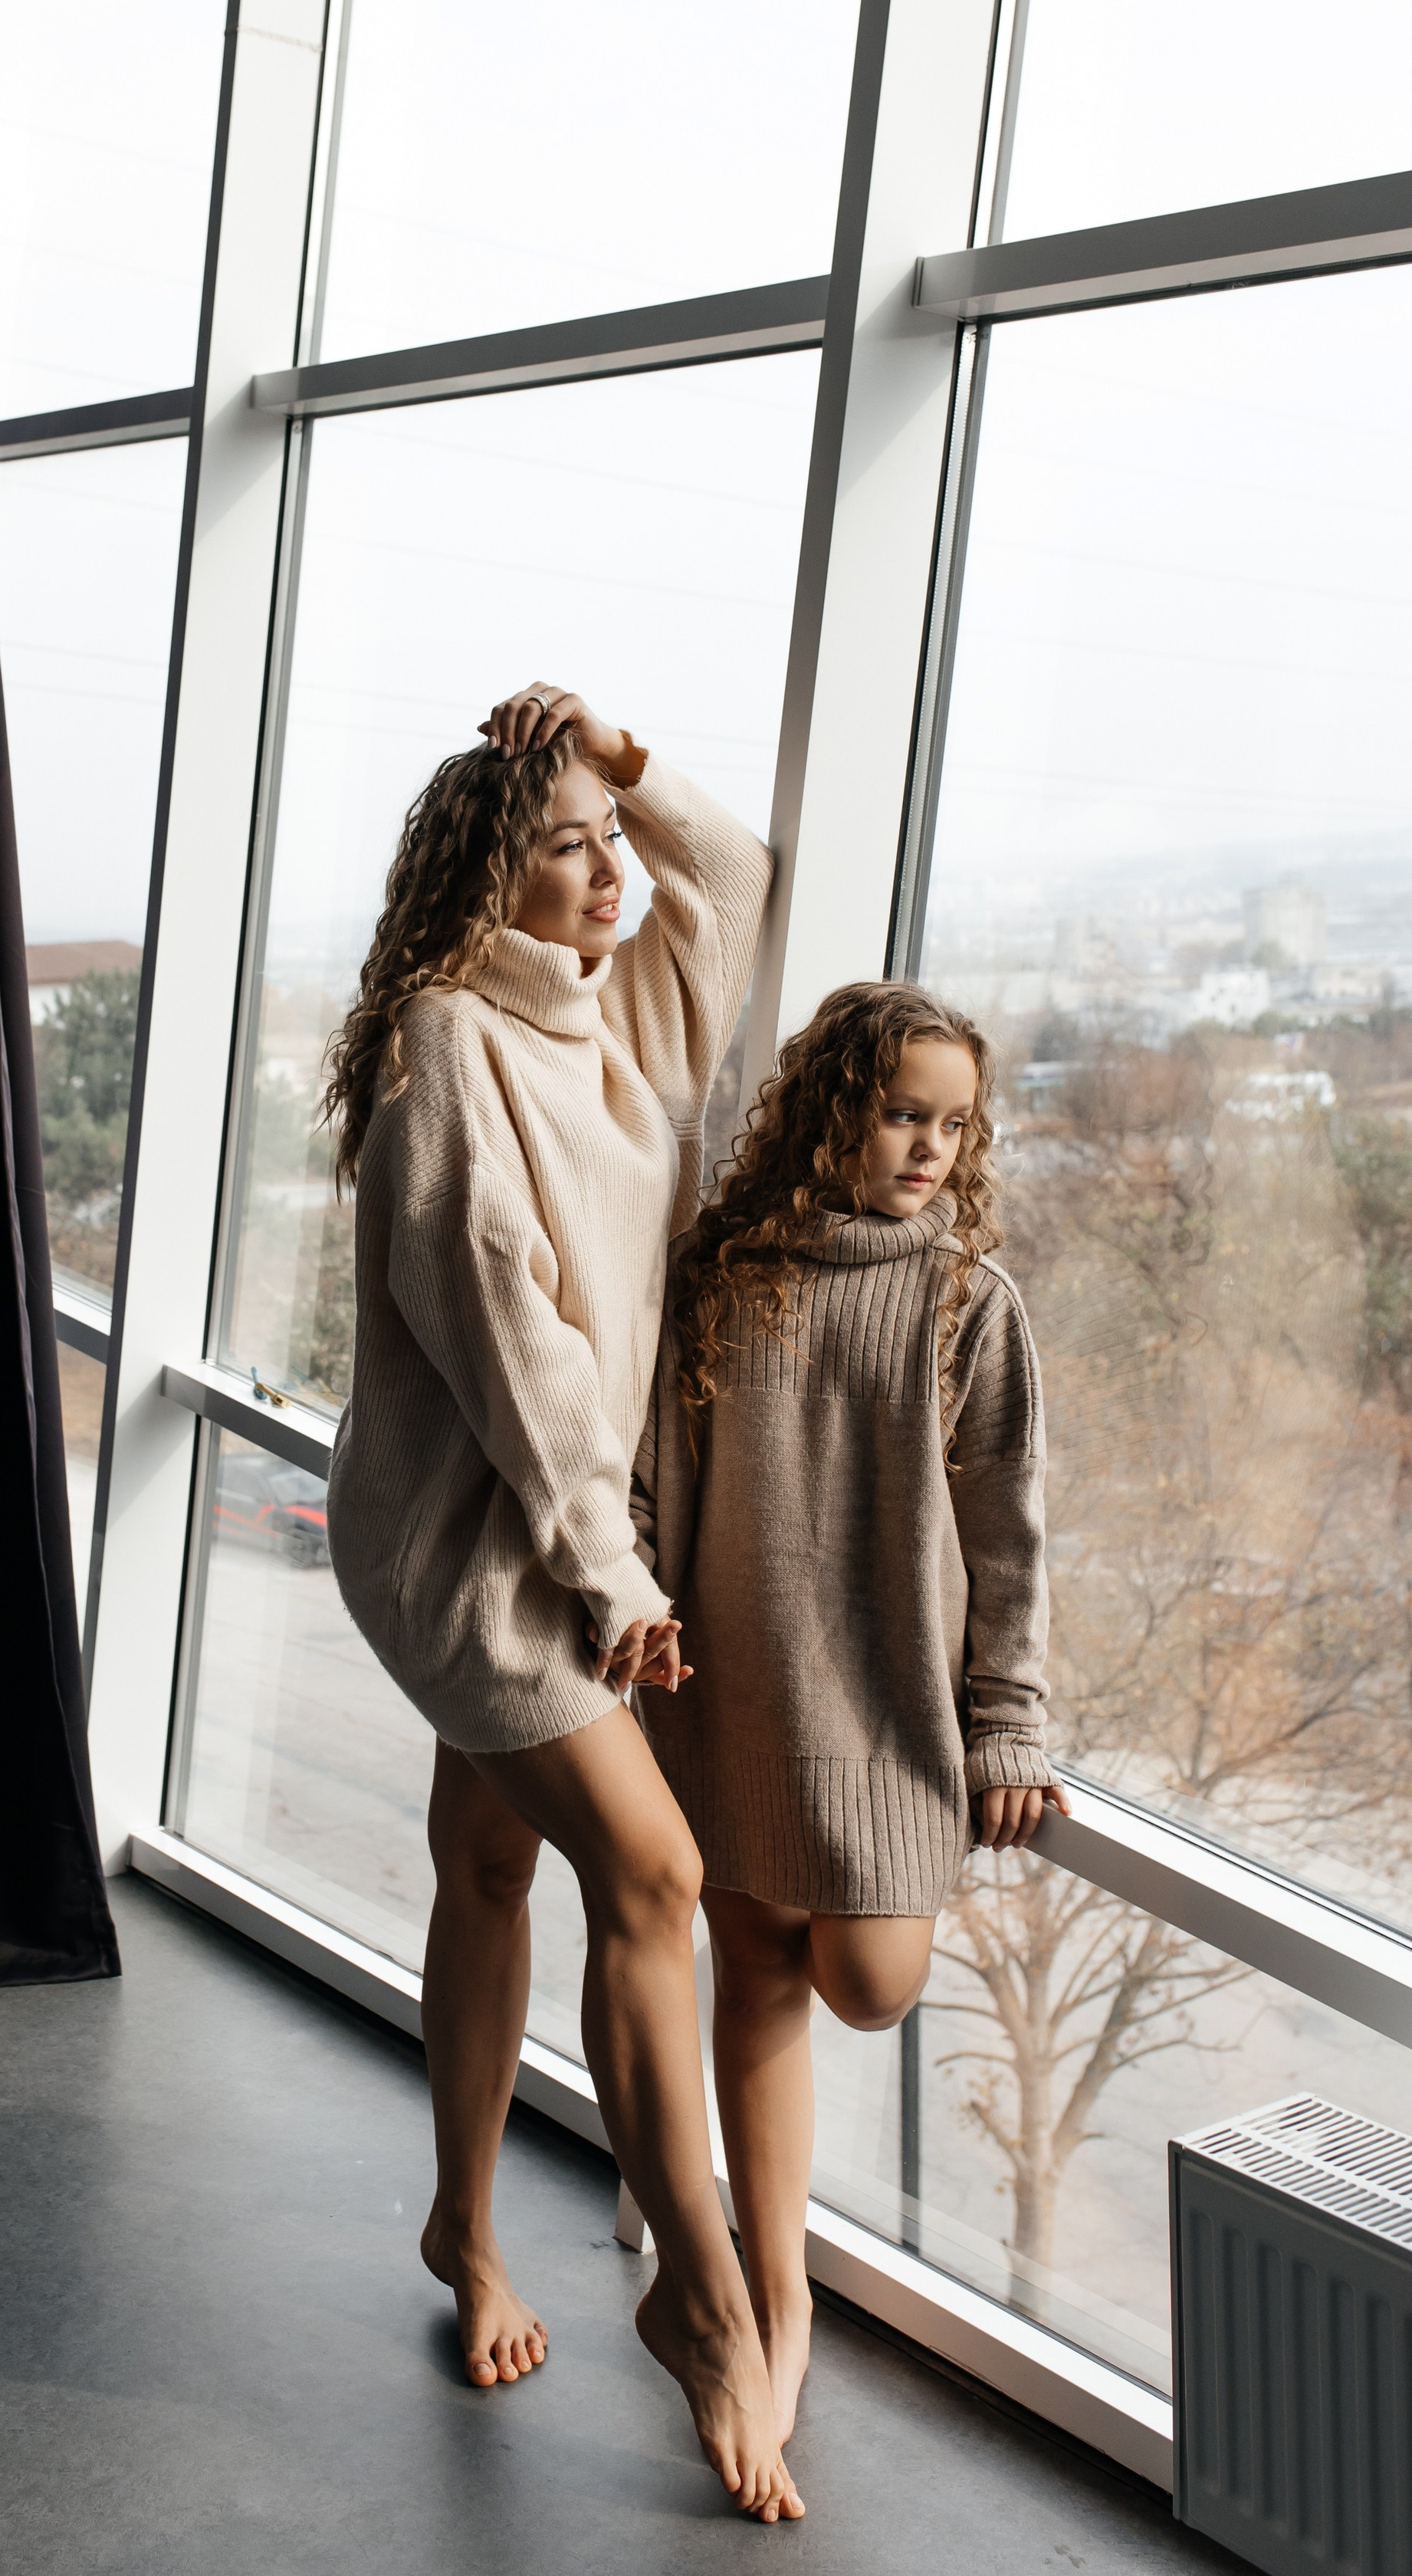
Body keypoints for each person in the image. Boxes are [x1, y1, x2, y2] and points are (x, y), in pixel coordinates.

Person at [323, 682, 801, 2519]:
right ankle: (697, 2291)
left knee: (487, 1867)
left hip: (579, 1533)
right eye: (560, 849)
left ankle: (462, 2227)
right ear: (481, 880)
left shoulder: (634, 1020)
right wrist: (610, 1581)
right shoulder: (447, 1044)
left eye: (608, 847)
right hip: (475, 1551)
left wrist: (610, 752)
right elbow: (509, 1343)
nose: (606, 874)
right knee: (657, 1872)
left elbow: (734, 871)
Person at [632, 979, 1070, 2440]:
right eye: (900, 1114)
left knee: (870, 1984)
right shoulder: (719, 1273)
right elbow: (645, 1474)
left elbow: (1007, 1537)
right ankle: (777, 2297)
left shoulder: (967, 1304)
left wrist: (1008, 1725)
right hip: (733, 1685)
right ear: (832, 1113)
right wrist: (630, 1602)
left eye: (953, 1124)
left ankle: (773, 2293)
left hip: (887, 1708)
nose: (931, 1148)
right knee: (752, 1978)